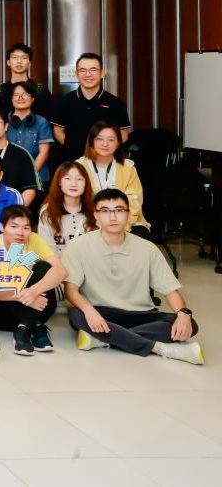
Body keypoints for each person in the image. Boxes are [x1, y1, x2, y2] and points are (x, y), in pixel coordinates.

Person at [63, 189, 202, 364]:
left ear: (129, 215)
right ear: (95, 216)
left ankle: (104, 339)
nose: (113, 217)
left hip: (140, 314)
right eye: (105, 211)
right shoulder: (78, 246)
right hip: (101, 312)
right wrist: (89, 310)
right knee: (77, 315)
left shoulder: (148, 248)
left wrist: (183, 314)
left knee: (188, 324)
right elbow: (70, 291)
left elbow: (171, 291)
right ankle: (160, 348)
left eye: (119, 210)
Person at [0, 205, 67, 355]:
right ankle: (36, 327)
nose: (20, 232)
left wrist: (33, 292)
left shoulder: (34, 239)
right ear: (2, 227)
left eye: (26, 228)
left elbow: (61, 271)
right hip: (0, 313)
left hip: (37, 306)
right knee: (4, 282)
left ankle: (24, 328)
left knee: (44, 267)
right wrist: (22, 297)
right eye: (14, 226)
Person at [51, 52, 131, 161]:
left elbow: (123, 135)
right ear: (76, 74)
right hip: (74, 162)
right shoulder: (65, 101)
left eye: (93, 70)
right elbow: (58, 131)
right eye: (82, 70)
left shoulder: (115, 103)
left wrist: (104, 151)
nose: (88, 74)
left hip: (105, 161)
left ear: (102, 73)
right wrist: (74, 149)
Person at [80, 122, 147, 232]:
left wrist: (119, 225)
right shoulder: (79, 167)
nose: (105, 144)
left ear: (118, 143)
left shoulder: (128, 168)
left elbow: (134, 202)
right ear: (91, 141)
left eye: (111, 140)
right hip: (89, 222)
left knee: (139, 235)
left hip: (125, 222)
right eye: (99, 139)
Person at [0, 108, 41, 206]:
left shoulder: (22, 154)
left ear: (6, 126)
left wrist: (14, 212)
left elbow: (30, 188)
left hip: (14, 212)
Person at [39, 161, 97, 255]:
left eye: (79, 179)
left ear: (86, 183)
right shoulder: (47, 211)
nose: (74, 184)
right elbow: (47, 251)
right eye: (67, 178)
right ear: (59, 182)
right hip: (58, 262)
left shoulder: (96, 210)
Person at [6, 81, 53, 186]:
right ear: (11, 99)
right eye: (16, 95)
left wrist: (29, 175)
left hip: (38, 178)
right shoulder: (3, 122)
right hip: (9, 177)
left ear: (32, 98)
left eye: (25, 94)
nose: (20, 98)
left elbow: (44, 153)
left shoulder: (42, 122)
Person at [0, 43, 53, 118]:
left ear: (29, 63)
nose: (19, 61)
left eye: (24, 58)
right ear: (8, 62)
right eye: (14, 57)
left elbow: (48, 119)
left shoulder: (40, 91)